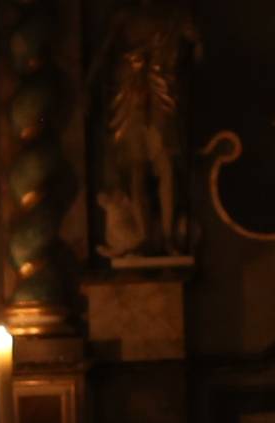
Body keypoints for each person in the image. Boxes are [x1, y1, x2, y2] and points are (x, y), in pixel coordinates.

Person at [86, 0, 202, 255]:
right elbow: (102, 57)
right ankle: (142, 235)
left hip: (161, 90)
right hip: (129, 92)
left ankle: (170, 236)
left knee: (166, 164)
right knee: (136, 169)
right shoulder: (123, 15)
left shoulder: (175, 13)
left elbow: (196, 52)